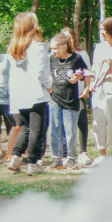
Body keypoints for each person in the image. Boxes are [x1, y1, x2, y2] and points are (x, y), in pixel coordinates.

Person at [6, 12, 52, 176]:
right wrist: (49, 86)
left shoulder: (14, 47)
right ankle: (33, 163)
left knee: (25, 127)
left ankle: (16, 158)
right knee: (36, 130)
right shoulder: (38, 46)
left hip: (20, 94)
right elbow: (40, 73)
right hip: (35, 93)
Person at [47, 33, 87, 170]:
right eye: (51, 48)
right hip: (55, 99)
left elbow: (86, 73)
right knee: (55, 129)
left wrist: (77, 77)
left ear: (64, 47)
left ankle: (71, 159)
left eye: (55, 48)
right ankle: (56, 159)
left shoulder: (76, 58)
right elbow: (45, 73)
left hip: (70, 99)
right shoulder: (51, 59)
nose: (53, 51)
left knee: (70, 131)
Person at [90, 17, 112, 163]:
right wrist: (91, 83)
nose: (102, 33)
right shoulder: (99, 47)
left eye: (104, 30)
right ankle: (101, 153)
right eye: (101, 30)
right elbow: (94, 68)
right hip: (98, 87)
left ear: (111, 30)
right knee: (98, 120)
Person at [60, 28, 92, 165]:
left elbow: (88, 72)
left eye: (69, 37)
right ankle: (65, 153)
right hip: (62, 95)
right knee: (64, 124)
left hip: (78, 93)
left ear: (74, 38)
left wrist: (87, 89)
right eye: (64, 37)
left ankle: (83, 152)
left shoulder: (81, 54)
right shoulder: (57, 55)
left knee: (82, 120)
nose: (67, 40)